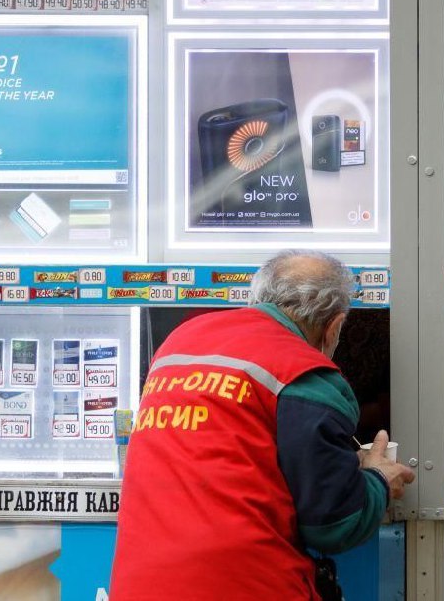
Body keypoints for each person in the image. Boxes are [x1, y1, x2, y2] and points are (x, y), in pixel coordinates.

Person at [110, 250, 415, 600]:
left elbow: (231, 449)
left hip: (141, 584)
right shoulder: (304, 375)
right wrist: (376, 478)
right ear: (333, 327)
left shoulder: (180, 342)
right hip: (246, 585)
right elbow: (334, 524)